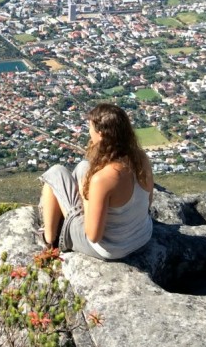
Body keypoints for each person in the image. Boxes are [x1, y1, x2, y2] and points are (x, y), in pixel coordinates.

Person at [38, 103, 153, 260]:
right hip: (142, 237)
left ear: (101, 134)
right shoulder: (141, 159)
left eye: (91, 128)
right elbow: (148, 202)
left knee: (55, 173)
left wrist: (87, 198)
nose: (89, 132)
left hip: (110, 249)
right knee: (84, 166)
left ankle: (49, 241)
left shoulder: (103, 179)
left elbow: (93, 236)